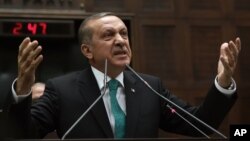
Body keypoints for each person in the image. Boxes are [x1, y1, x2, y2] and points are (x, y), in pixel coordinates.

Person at [8, 12, 241, 139]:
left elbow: (200, 125)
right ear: (87, 50)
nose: (120, 40)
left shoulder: (150, 86)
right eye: (109, 35)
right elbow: (22, 135)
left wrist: (222, 83)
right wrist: (23, 92)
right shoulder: (62, 89)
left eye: (124, 34)